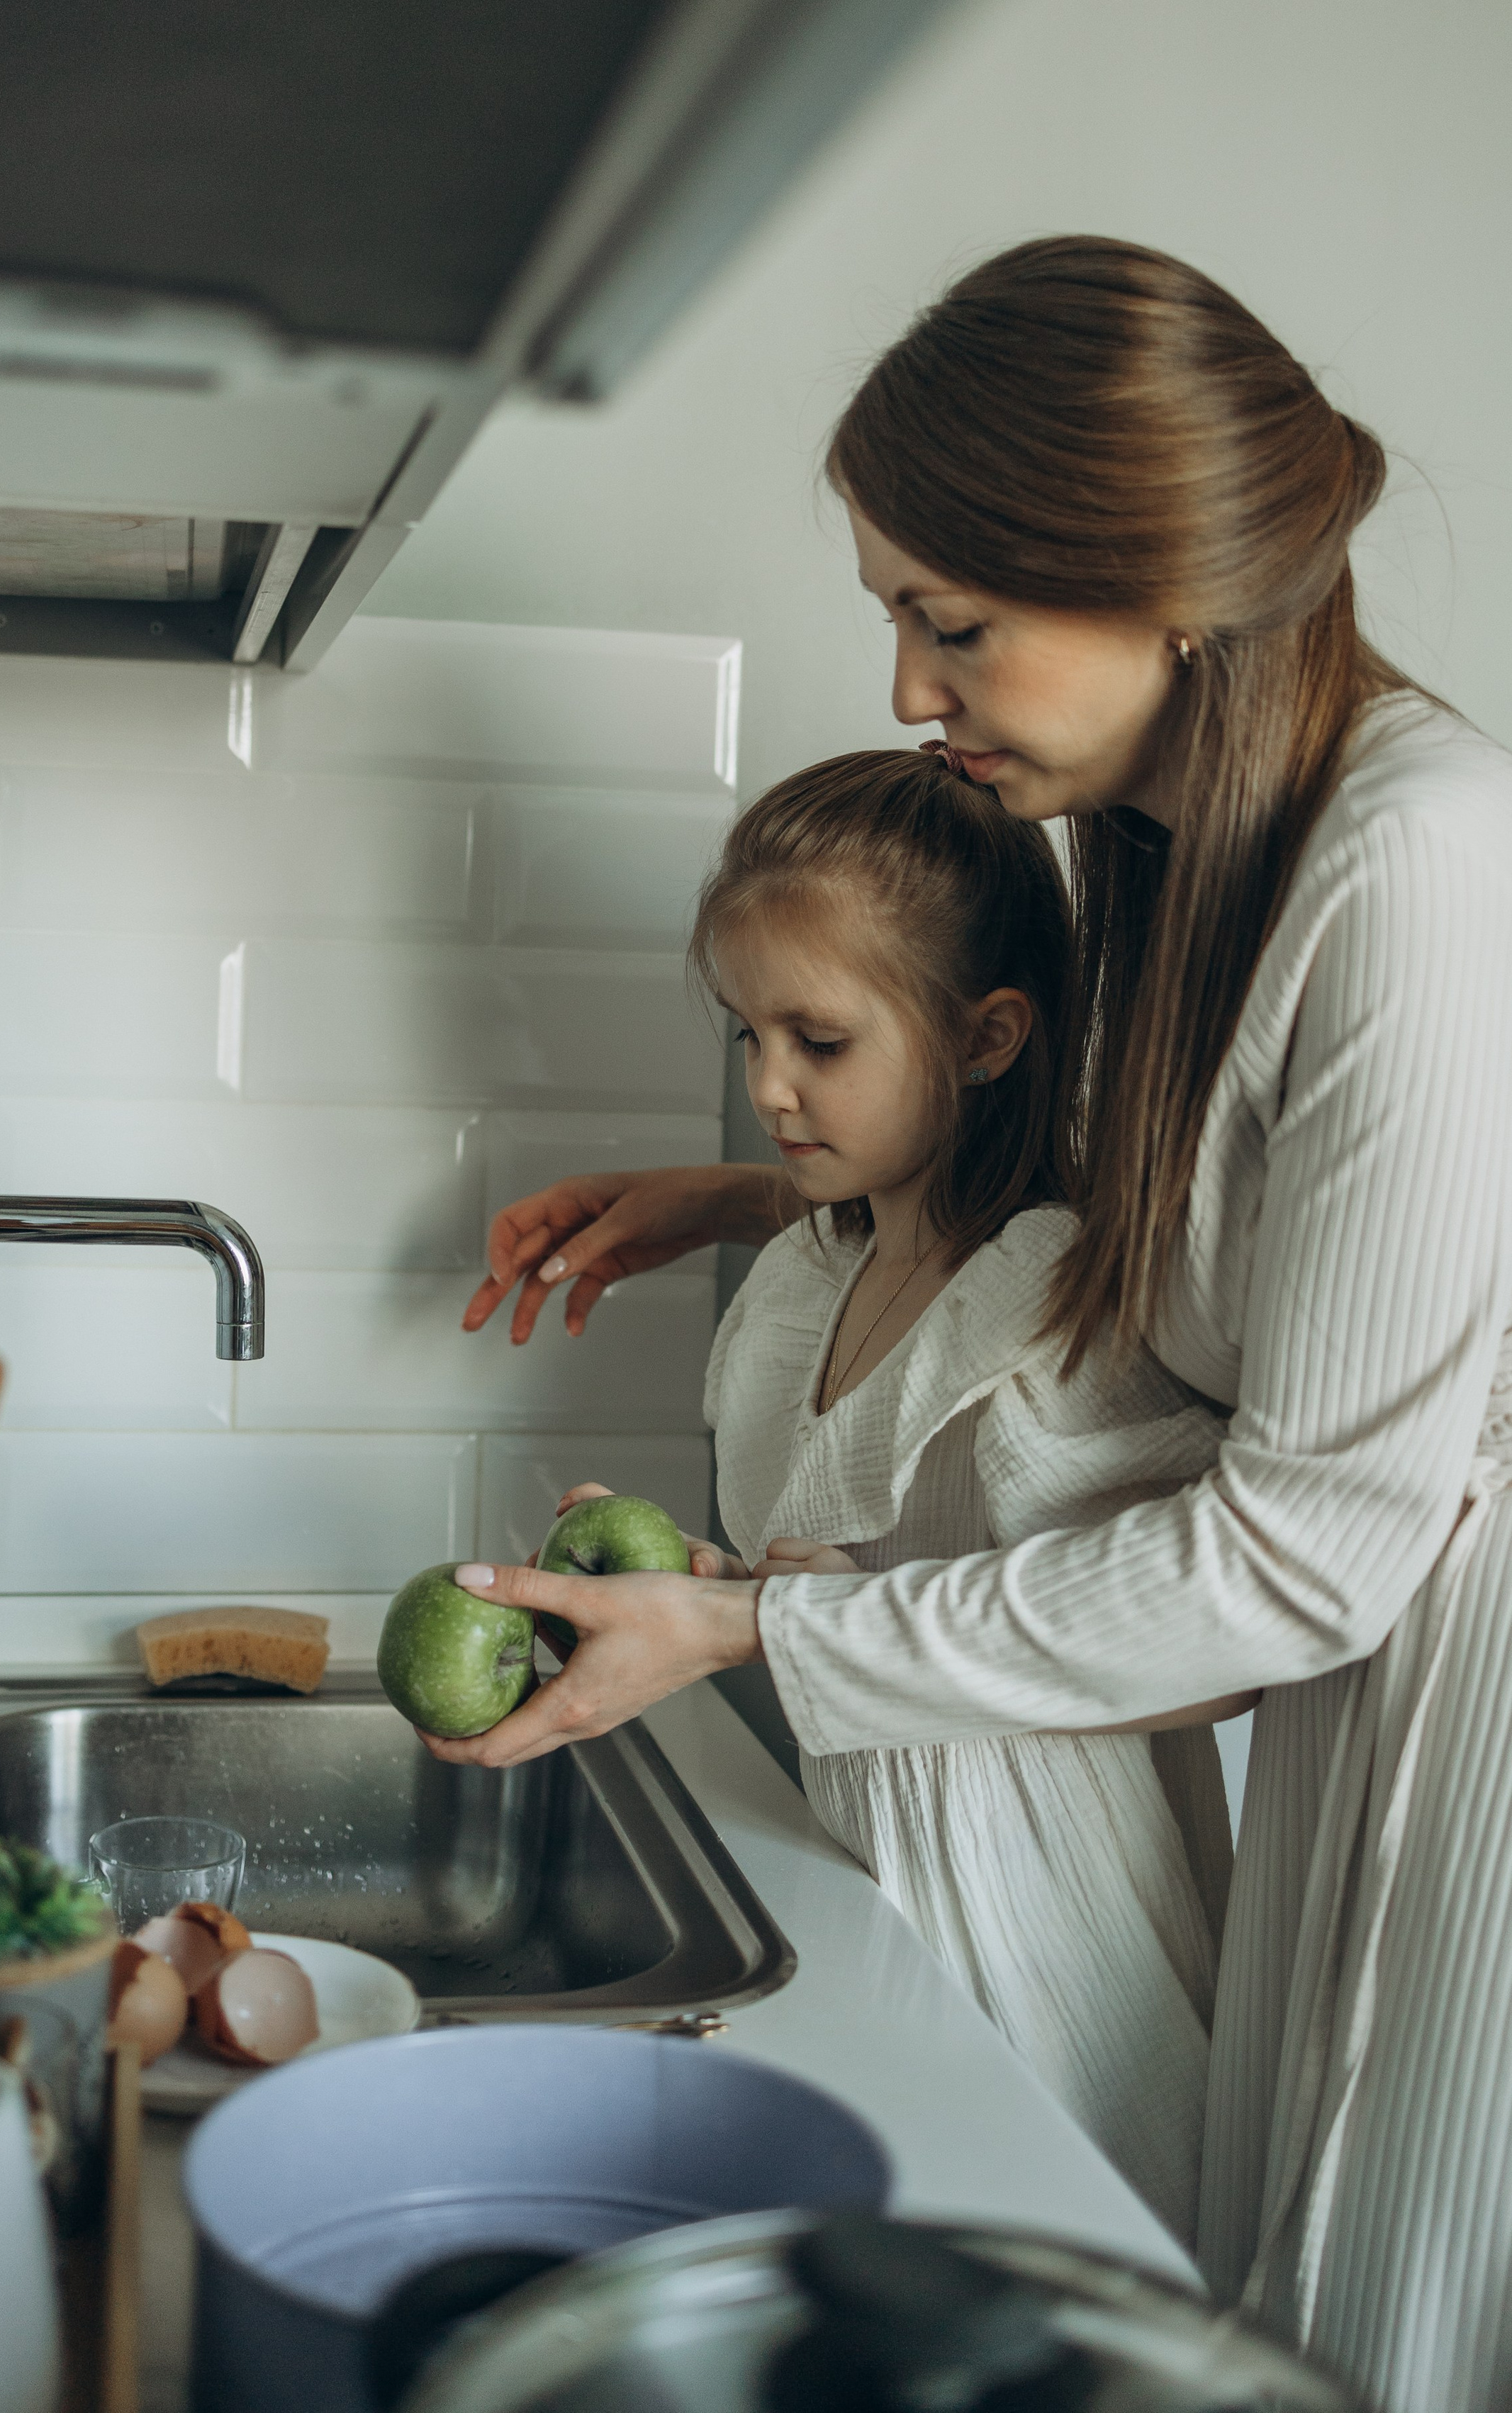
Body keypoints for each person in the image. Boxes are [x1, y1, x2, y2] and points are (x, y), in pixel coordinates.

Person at [444, 238, 1512, 2413]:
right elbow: (1191, 1243)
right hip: (1364, 1682)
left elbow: (1314, 1548)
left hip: (1453, 1708)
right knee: (1279, 2319)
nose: (913, 688)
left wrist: (754, 1626)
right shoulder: (1185, 853)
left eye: (951, 621)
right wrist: (762, 1196)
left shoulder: (1417, 865)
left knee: (1383, 2326)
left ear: (1162, 579)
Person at [651, 745, 1248, 2237]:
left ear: (986, 1038)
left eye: (819, 1041)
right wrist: (703, 1591)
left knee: (1048, 2264)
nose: (767, 1088)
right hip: (870, 1895)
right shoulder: (816, 1270)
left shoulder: (1047, 1304)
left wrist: (829, 1616)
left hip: (1035, 1923)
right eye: (747, 1033)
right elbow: (818, 1589)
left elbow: (1210, 1650)